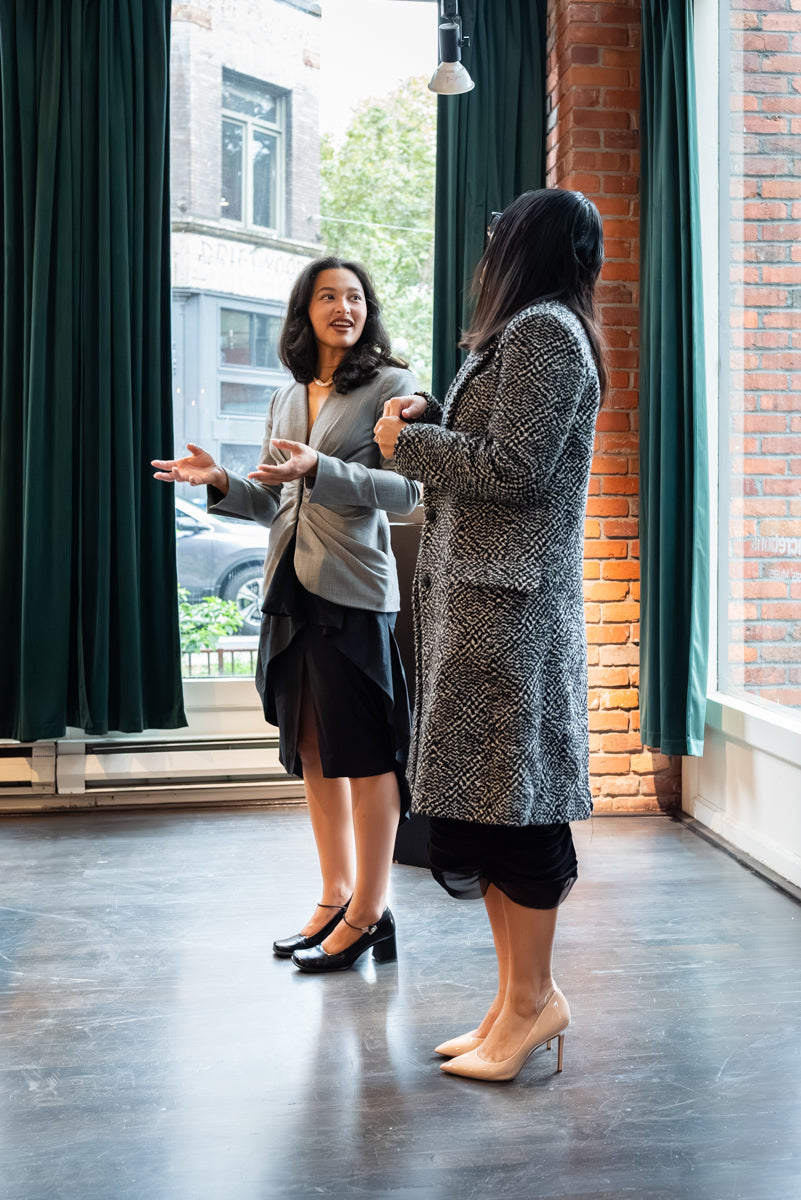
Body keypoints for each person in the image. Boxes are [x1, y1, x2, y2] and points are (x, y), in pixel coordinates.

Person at [373, 189, 606, 1081]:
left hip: (510, 617)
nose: (486, 250)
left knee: (523, 817)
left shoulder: (545, 332)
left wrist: (409, 448)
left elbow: (515, 471)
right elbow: (496, 450)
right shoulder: (523, 334)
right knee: (497, 813)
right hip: (482, 612)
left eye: (498, 236)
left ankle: (534, 1002)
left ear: (528, 245)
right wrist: (432, 425)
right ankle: (516, 1002)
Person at [152, 257, 421, 972]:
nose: (344, 306)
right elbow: (279, 500)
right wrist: (219, 482)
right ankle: (333, 897)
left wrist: (321, 471)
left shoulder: (392, 388)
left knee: (362, 759)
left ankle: (370, 911)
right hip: (288, 587)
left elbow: (408, 495)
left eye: (355, 296)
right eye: (328, 295)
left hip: (352, 590)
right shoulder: (285, 397)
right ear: (304, 311)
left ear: (369, 310)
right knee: (309, 752)